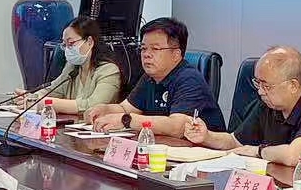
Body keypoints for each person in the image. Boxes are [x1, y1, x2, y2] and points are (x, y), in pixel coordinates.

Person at [183, 46, 301, 171]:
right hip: (282, 187)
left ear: (293, 85)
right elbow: (235, 141)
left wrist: (259, 151)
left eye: (267, 86)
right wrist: (206, 136)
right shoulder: (268, 105)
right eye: (258, 83)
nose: (260, 91)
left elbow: (295, 156)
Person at [88, 16, 225, 135]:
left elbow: (177, 127)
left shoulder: (190, 79)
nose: (146, 54)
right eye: (143, 48)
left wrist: (126, 120)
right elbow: (126, 108)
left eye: (155, 48)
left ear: (176, 54)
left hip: (203, 152)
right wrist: (105, 109)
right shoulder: (150, 77)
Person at [34, 17, 123, 117]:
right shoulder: (72, 67)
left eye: (71, 43)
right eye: (65, 45)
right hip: (71, 124)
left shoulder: (109, 70)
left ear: (89, 42)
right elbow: (52, 90)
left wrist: (50, 103)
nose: (67, 49)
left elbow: (93, 106)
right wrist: (30, 98)